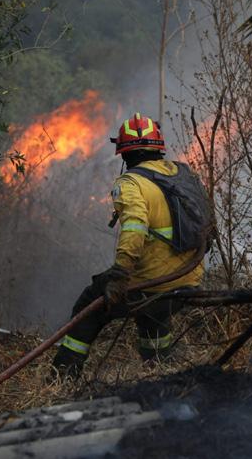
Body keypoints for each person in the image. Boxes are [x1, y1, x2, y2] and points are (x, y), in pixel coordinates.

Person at [51, 113, 207, 379]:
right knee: (152, 314)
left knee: (89, 306)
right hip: (188, 282)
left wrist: (120, 274)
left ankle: (62, 375)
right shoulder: (184, 174)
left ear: (124, 154)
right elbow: (208, 223)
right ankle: (160, 368)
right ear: (159, 149)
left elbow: (134, 229)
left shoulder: (131, 183)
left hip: (152, 286)